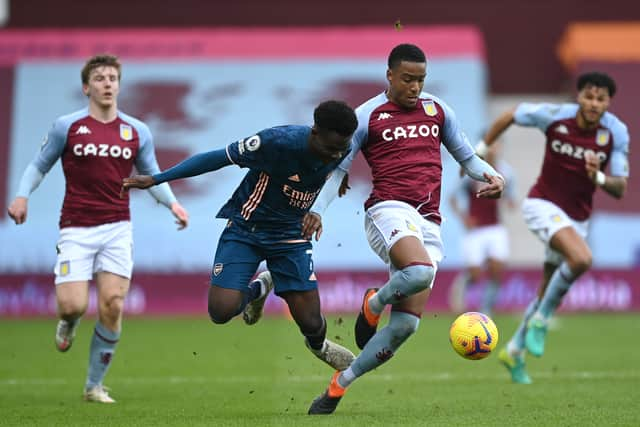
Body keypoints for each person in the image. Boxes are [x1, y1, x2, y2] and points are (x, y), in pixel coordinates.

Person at [305, 43, 505, 415]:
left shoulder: (439, 111)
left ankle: (338, 385)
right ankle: (373, 302)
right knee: (418, 271)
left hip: (429, 221)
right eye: (408, 79)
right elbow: (338, 172)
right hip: (388, 211)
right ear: (390, 75)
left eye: (421, 80)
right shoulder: (367, 115)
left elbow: (465, 155)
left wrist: (491, 174)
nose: (415, 87)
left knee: (404, 329)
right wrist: (317, 209)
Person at [121, 100, 358, 375]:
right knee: (221, 311)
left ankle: (320, 348)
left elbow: (338, 169)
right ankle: (258, 290)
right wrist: (159, 178)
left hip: (292, 234)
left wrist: (318, 210)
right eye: (330, 149)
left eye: (341, 149)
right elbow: (218, 157)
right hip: (247, 228)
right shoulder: (276, 142)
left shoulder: (341, 146)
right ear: (315, 131)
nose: (334, 155)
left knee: (312, 324)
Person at [7, 54, 190, 403]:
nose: (107, 83)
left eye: (112, 78)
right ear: (86, 87)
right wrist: (21, 197)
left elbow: (151, 175)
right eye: (100, 78)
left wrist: (173, 203)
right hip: (76, 228)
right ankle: (70, 321)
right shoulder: (68, 126)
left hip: (118, 228)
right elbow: (37, 166)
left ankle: (94, 385)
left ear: (119, 85)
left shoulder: (136, 130)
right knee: (73, 305)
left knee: (113, 303)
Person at [476, 72, 630, 384]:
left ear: (608, 102)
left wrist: (597, 177)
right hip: (542, 205)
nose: (593, 103)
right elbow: (510, 114)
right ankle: (542, 320)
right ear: (579, 96)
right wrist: (482, 148)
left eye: (600, 99)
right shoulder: (556, 116)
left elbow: (620, 187)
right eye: (588, 96)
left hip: (577, 219)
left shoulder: (615, 132)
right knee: (582, 259)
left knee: (549, 285)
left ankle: (515, 350)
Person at [448, 143, 517, 316]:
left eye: (497, 145)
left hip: (495, 227)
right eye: (492, 145)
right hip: (475, 230)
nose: (495, 149)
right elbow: (452, 198)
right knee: (476, 273)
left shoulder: (506, 172)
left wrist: (509, 201)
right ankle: (461, 286)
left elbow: (510, 196)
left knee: (496, 269)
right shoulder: (472, 171)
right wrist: (464, 218)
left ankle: (486, 310)